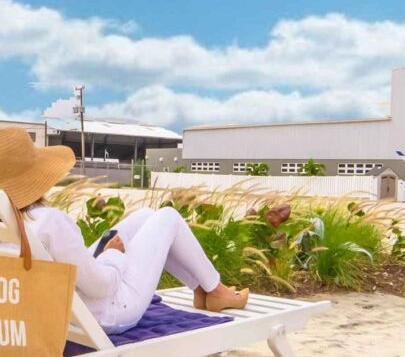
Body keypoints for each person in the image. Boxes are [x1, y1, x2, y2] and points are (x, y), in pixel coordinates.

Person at [0, 128, 248, 334]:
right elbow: (100, 288)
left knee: (146, 216)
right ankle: (216, 291)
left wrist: (102, 256)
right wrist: (112, 255)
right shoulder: (51, 222)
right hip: (105, 313)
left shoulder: (13, 224)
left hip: (70, 308)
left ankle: (202, 289)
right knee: (168, 217)